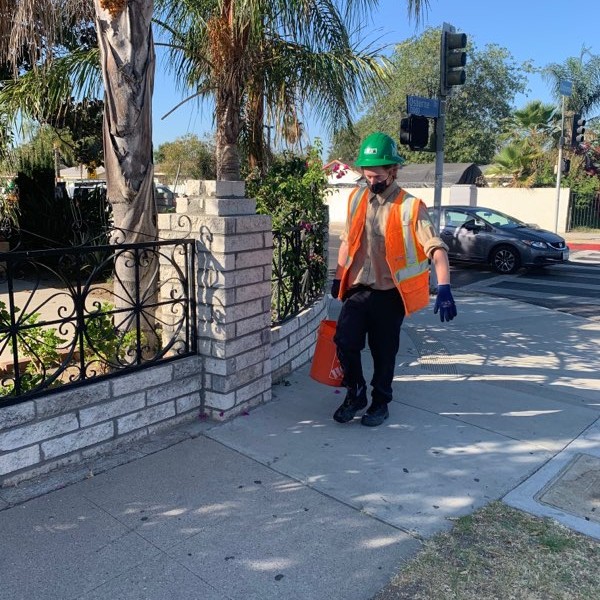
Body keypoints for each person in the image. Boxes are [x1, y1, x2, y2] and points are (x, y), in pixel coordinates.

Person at [330, 132, 457, 427]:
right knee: (344, 342)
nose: (371, 181)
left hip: (390, 295)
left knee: (383, 353)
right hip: (358, 289)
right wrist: (339, 278)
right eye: (367, 175)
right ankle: (355, 392)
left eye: (376, 176)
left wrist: (445, 287)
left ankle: (380, 403)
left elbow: (435, 249)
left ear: (393, 171)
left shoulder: (411, 207)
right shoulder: (356, 197)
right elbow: (348, 241)